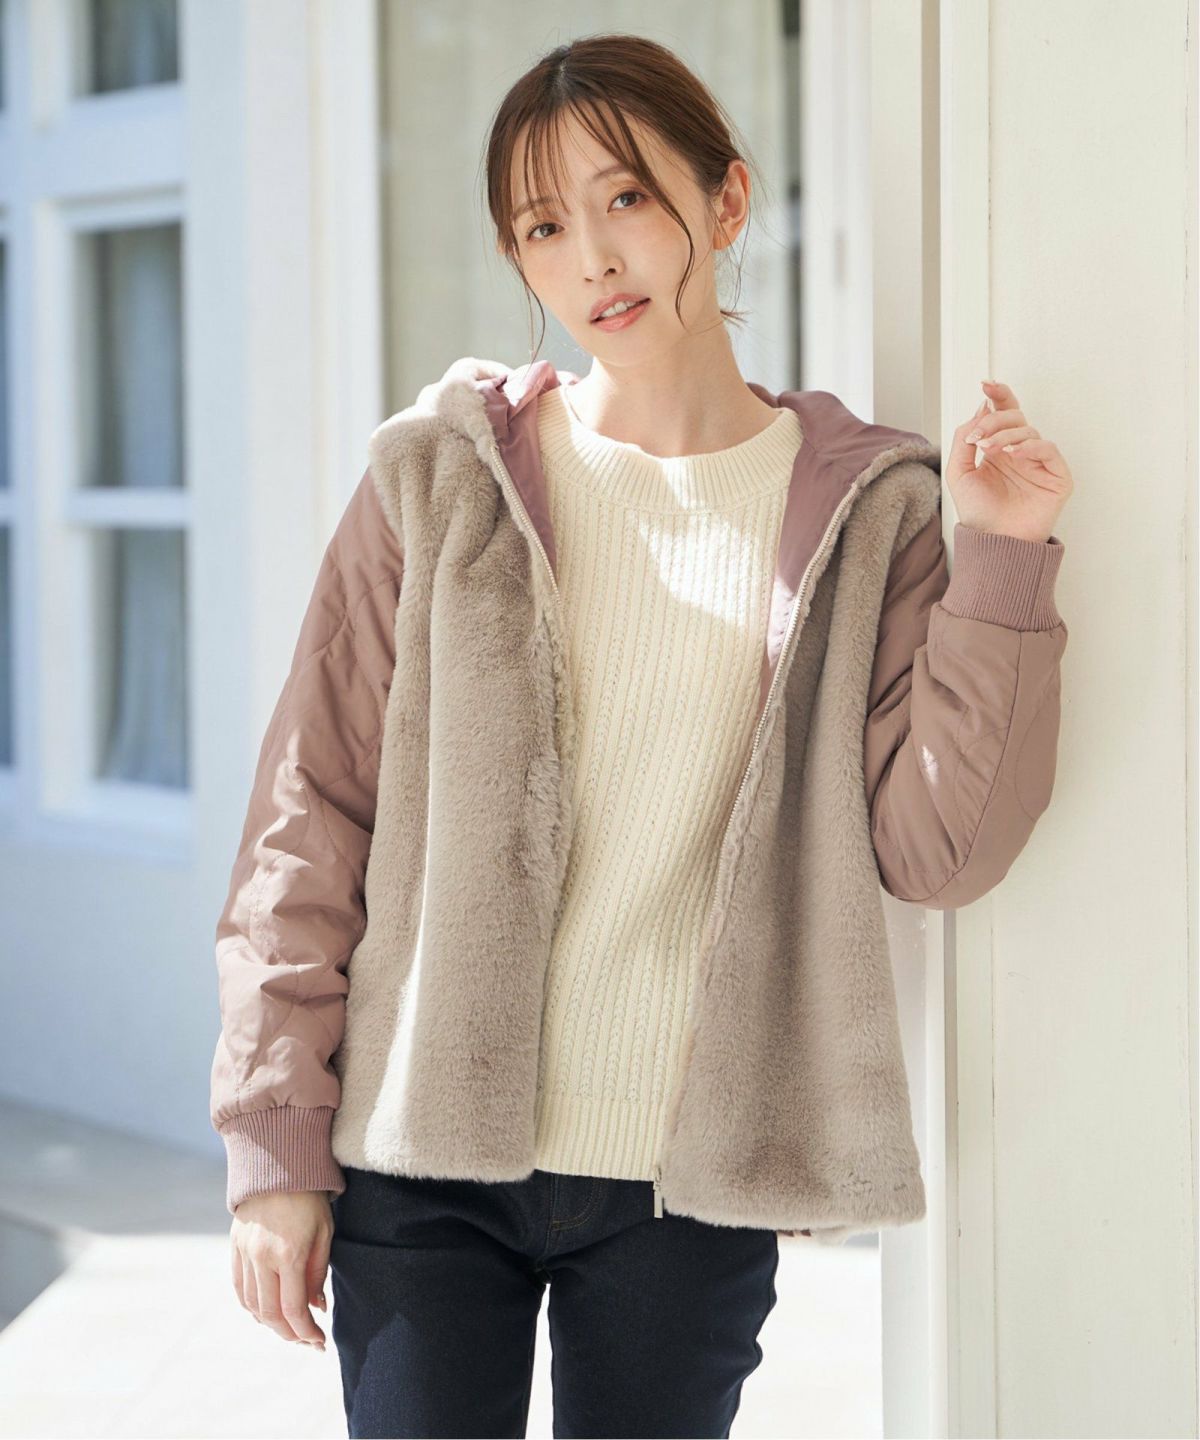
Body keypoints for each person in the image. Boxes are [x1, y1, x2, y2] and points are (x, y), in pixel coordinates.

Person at [209, 32, 1073, 1440]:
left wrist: (1003, 561)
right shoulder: (442, 479)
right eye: (544, 227)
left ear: (724, 204)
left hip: (689, 1182)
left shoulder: (866, 516)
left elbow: (941, 849)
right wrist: (274, 1145)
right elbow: (309, 817)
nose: (593, 258)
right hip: (421, 1161)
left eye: (626, 199)